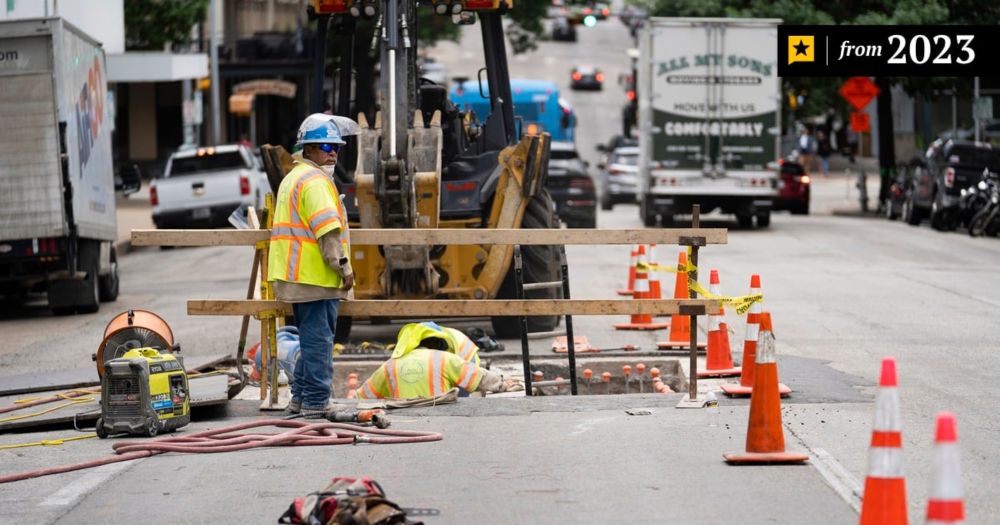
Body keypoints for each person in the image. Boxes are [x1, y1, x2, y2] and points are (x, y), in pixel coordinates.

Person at [269, 113, 355, 416]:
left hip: (295, 277)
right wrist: (343, 267)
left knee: (310, 340)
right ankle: (317, 402)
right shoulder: (316, 182)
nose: (331, 152)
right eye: (323, 146)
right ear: (307, 149)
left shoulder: (293, 177)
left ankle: (301, 399)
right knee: (319, 342)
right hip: (316, 277)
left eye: (336, 147)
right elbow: (327, 232)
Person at [356, 323, 513, 400]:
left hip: (403, 419)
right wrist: (504, 384)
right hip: (441, 414)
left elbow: (363, 397)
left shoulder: (390, 365)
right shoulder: (445, 358)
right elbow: (481, 378)